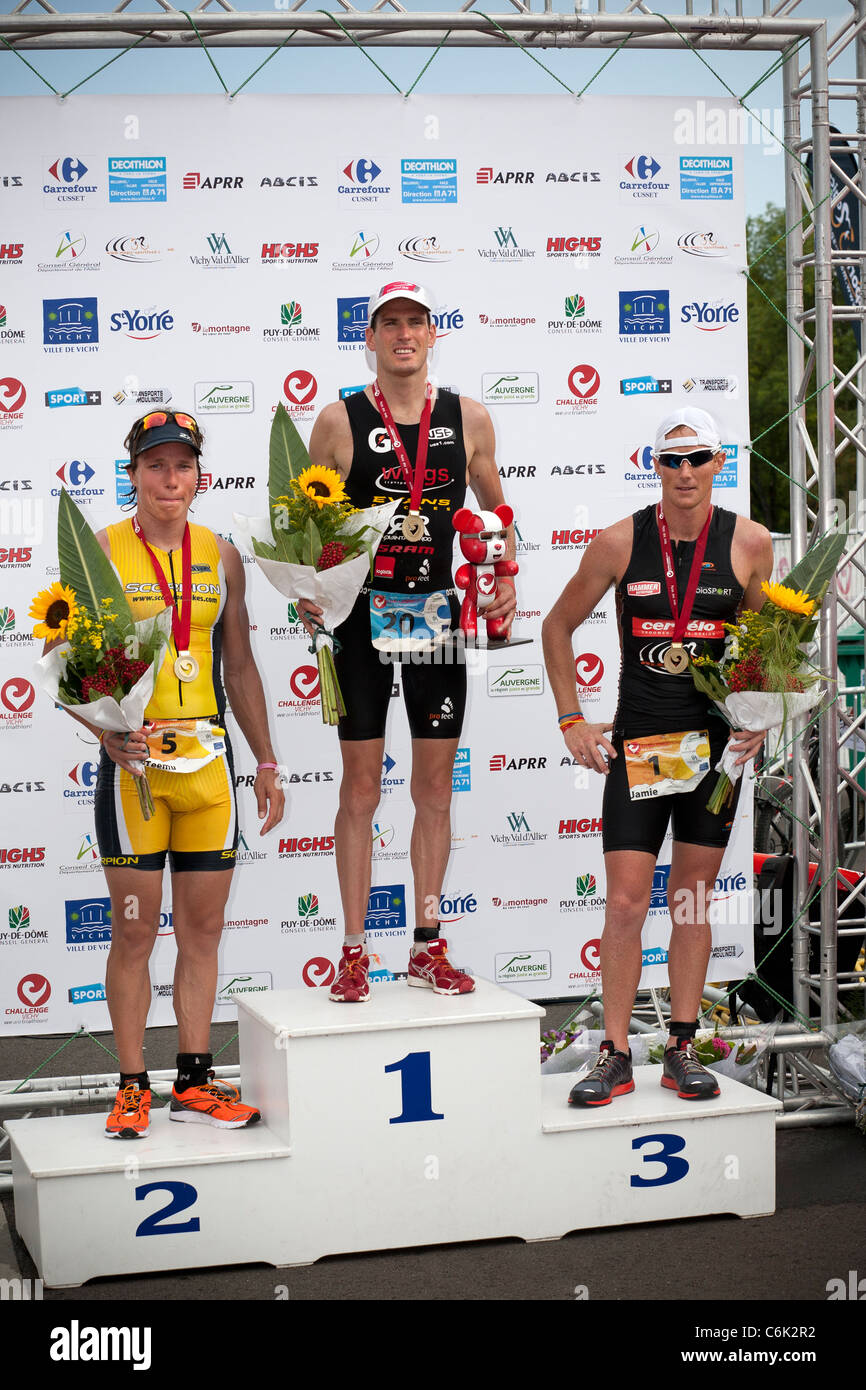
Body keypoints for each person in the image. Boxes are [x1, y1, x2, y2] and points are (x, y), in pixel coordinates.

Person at [56, 410, 285, 1137]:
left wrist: (268, 762)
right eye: (154, 465)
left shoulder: (222, 555)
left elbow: (240, 665)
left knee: (203, 930)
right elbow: (67, 668)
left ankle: (193, 1077)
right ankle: (131, 1085)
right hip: (137, 778)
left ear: (199, 476)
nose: (169, 478)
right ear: (133, 476)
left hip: (210, 773)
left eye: (181, 465)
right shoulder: (101, 551)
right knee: (133, 934)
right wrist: (103, 731)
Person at [542, 407, 773, 1105]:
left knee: (692, 902)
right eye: (671, 460)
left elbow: (767, 649)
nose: (684, 472)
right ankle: (613, 1053)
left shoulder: (751, 541)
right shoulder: (620, 541)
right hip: (641, 747)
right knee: (624, 903)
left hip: (713, 755)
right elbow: (556, 625)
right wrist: (571, 719)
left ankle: (681, 1045)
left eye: (697, 458)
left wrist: (762, 718)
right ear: (653, 466)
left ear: (719, 462)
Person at [299, 281, 516, 1002]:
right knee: (360, 787)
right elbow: (306, 525)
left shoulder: (469, 417)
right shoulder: (338, 420)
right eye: (388, 324)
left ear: (432, 336)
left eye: (414, 323)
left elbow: (497, 511)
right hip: (361, 619)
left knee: (432, 789)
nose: (402, 335)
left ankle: (427, 944)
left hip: (434, 618)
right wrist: (308, 587)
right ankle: (354, 950)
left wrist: (503, 574)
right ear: (370, 338)